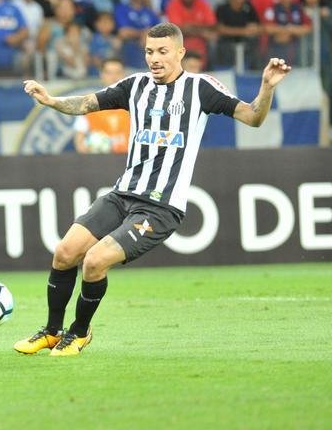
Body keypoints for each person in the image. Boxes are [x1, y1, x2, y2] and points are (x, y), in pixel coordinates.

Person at [16, 23, 291, 356]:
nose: (155, 59)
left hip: (160, 207)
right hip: (122, 194)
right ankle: (51, 331)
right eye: (149, 52)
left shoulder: (200, 88)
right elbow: (86, 104)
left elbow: (253, 117)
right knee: (64, 252)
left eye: (162, 51)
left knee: (94, 262)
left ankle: (79, 333)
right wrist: (50, 100)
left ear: (180, 53)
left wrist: (266, 88)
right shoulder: (135, 85)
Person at [73, 58, 132, 155]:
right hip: (100, 161)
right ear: (101, 75)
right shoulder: (90, 104)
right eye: (109, 73)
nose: (114, 77)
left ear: (124, 75)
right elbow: (79, 141)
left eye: (118, 73)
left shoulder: (135, 102)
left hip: (129, 159)